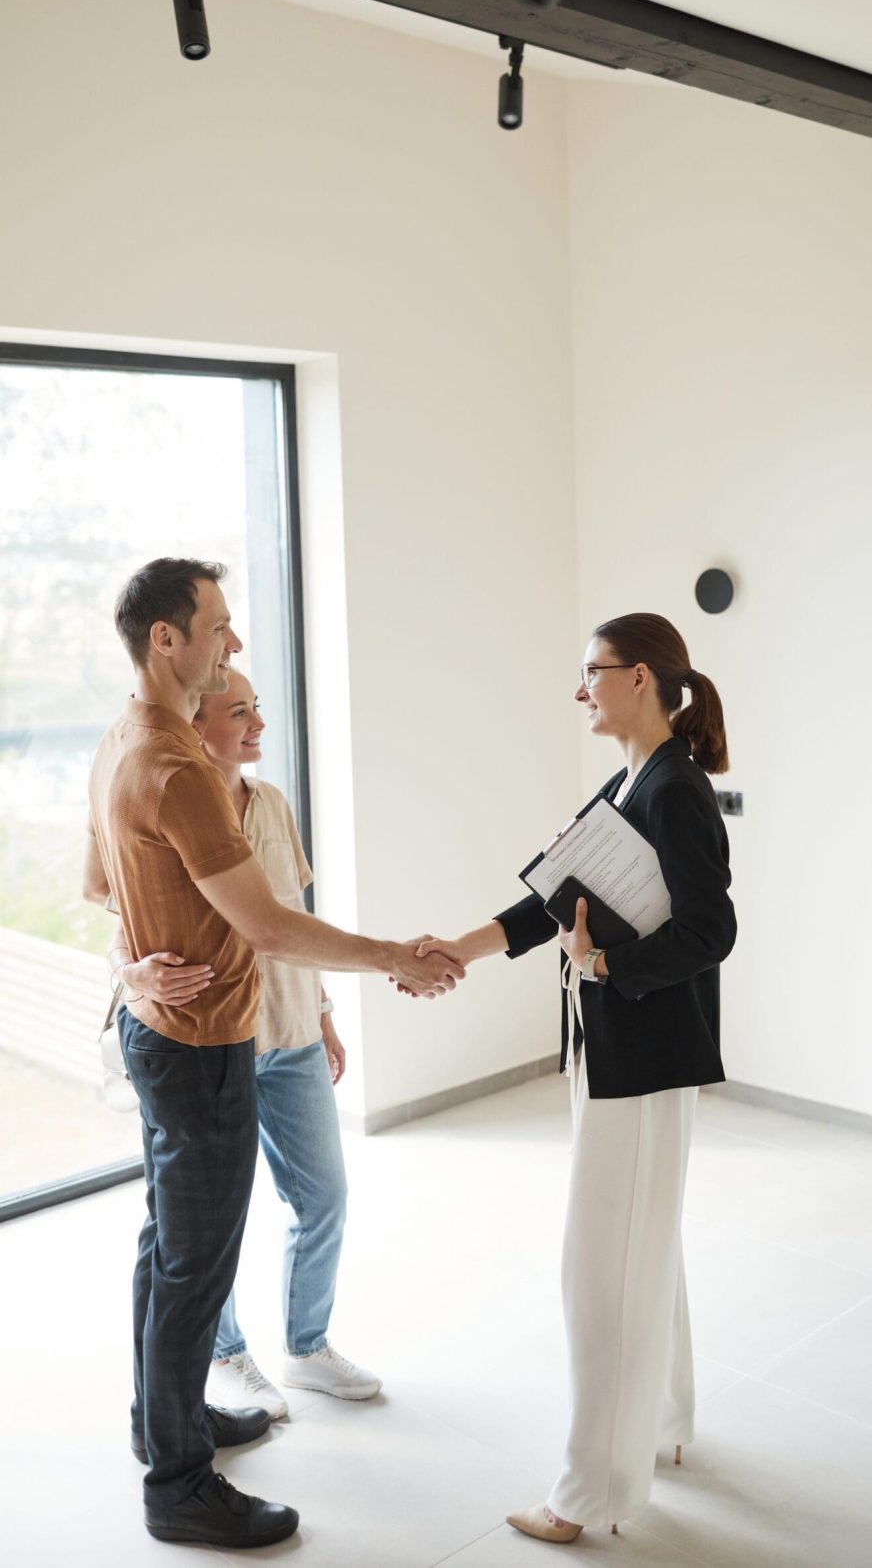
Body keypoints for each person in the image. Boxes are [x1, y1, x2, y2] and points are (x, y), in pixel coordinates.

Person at [83, 557, 463, 1550]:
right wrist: (395, 958)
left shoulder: (123, 736)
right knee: (193, 1270)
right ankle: (177, 1484)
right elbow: (271, 926)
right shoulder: (175, 768)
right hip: (200, 1049)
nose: (234, 642)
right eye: (217, 625)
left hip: (168, 1038)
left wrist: (133, 971)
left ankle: (162, 1421)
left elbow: (110, 890)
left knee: (165, 1250)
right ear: (166, 639)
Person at [408, 613, 736, 1543]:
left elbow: (712, 931)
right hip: (622, 1054)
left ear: (638, 678)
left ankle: (588, 1495)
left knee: (602, 1274)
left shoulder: (675, 791)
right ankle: (664, 1424)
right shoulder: (635, 777)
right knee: (644, 1249)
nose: (580, 689)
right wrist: (456, 950)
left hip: (644, 1056)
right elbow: (554, 899)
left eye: (589, 673)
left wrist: (602, 970)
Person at [113, 670, 378, 1420]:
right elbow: (122, 926)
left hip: (289, 1033)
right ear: (198, 725)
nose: (259, 723)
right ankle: (228, 1355)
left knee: (323, 1194)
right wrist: (134, 974)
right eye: (240, 712)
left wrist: (323, 1011)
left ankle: (307, 1345)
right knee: (211, 1221)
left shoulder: (270, 805)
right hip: (209, 1042)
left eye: (260, 708)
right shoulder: (164, 797)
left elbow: (291, 915)